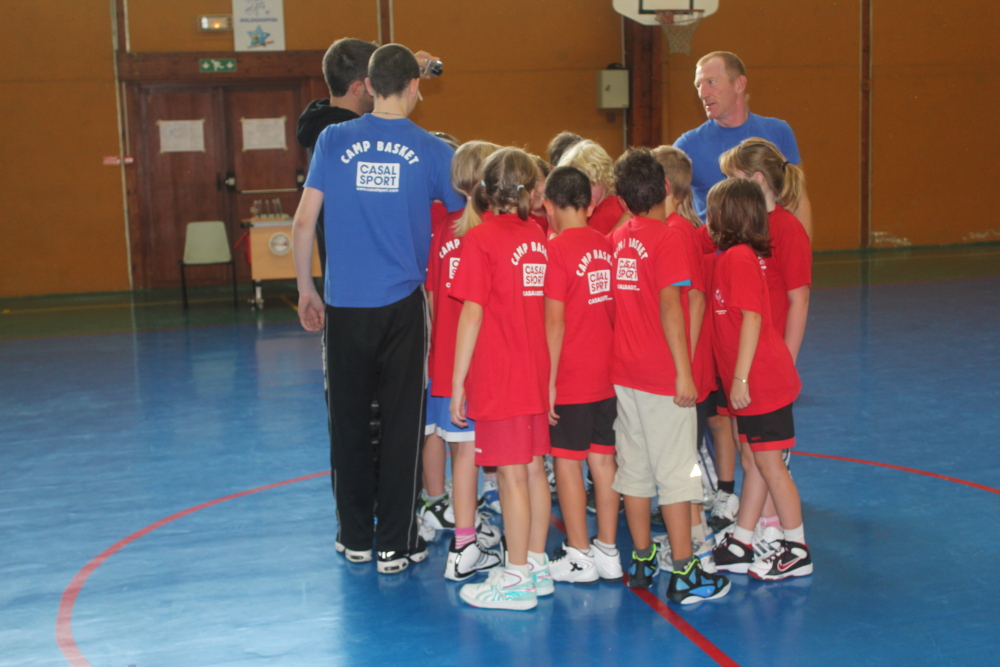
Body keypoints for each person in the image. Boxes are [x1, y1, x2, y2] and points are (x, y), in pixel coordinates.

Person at [291, 44, 465, 575]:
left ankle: (354, 538)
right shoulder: (432, 151)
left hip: (343, 306)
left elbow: (303, 222)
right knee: (400, 427)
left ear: (368, 84)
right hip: (401, 308)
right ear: (414, 86)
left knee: (346, 424)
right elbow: (464, 221)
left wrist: (306, 289)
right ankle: (395, 542)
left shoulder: (332, 139)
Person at [608, 148, 730, 605]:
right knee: (678, 475)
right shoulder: (668, 239)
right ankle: (685, 572)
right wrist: (684, 372)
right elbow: (670, 307)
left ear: (622, 202)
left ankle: (642, 560)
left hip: (625, 374)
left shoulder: (619, 238)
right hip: (661, 377)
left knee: (635, 470)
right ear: (665, 189)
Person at [450, 147, 553, 610]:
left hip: (501, 373)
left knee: (511, 476)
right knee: (533, 470)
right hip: (534, 370)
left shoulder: (481, 240)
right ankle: (536, 565)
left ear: (487, 192)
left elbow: (471, 314)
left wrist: (457, 382)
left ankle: (515, 579)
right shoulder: (537, 234)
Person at [705, 178, 813, 580]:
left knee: (770, 465)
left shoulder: (739, 258)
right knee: (753, 460)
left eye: (712, 210)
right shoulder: (728, 257)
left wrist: (741, 379)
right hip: (755, 382)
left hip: (763, 382)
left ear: (728, 216)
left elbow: (752, 318)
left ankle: (797, 548)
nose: (706, 217)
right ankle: (742, 540)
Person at [423, 140, 505, 580]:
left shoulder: (443, 228)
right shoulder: (492, 232)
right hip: (479, 360)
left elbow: (433, 297)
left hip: (446, 357)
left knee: (461, 449)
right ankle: (466, 545)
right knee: (480, 452)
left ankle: (466, 532)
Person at [541, 166, 623, 584]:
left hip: (572, 376)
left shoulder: (555, 250)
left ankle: (578, 554)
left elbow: (554, 323)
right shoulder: (606, 244)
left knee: (568, 463)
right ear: (589, 206)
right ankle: (608, 550)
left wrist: (549, 382)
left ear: (548, 206)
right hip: (607, 375)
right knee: (604, 461)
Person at [673, 51, 813, 241]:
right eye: (698, 85)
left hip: (772, 251)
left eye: (711, 82)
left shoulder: (779, 131)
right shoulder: (686, 146)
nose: (702, 93)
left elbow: (798, 199)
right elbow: (663, 203)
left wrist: (802, 249)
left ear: (739, 84)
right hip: (717, 253)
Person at [558, 140, 630, 235]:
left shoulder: (605, 214)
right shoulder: (608, 206)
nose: (581, 193)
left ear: (605, 178)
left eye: (588, 186)